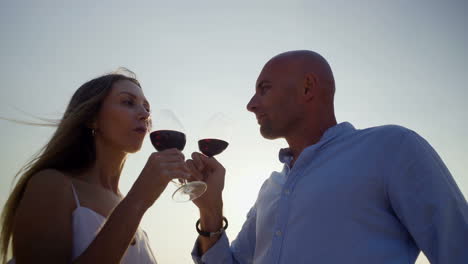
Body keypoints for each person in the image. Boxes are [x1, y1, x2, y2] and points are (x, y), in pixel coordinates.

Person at [187, 50, 468, 263]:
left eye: (264, 88)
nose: (251, 104)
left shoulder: (391, 148)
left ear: (308, 87)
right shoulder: (269, 190)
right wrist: (210, 210)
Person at [0, 70, 191, 263]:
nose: (145, 115)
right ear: (92, 118)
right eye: (128, 102)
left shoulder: (124, 202)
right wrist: (139, 199)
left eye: (146, 107)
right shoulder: (51, 184)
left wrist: (209, 211)